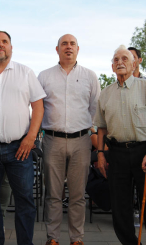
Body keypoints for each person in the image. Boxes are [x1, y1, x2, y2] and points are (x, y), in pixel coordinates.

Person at [94, 45, 146, 245]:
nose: (120, 62)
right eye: (116, 60)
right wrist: (101, 155)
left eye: (124, 59)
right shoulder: (105, 94)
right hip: (117, 153)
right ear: (112, 67)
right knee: (120, 207)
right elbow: (101, 128)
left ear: (134, 63)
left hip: (145, 151)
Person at [0, 31, 46, 245]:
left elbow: (38, 105)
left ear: (11, 47)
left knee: (25, 199)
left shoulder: (25, 73)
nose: (1, 45)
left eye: (5, 42)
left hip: (20, 147)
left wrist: (31, 137)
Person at [38, 34, 100, 245]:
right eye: (64, 44)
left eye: (72, 44)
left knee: (77, 195)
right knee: (53, 194)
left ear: (78, 48)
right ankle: (52, 238)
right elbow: (38, 108)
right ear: (57, 49)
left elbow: (94, 108)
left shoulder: (89, 76)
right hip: (52, 140)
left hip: (81, 141)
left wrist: (85, 127)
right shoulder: (44, 76)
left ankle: (77, 239)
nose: (68, 47)